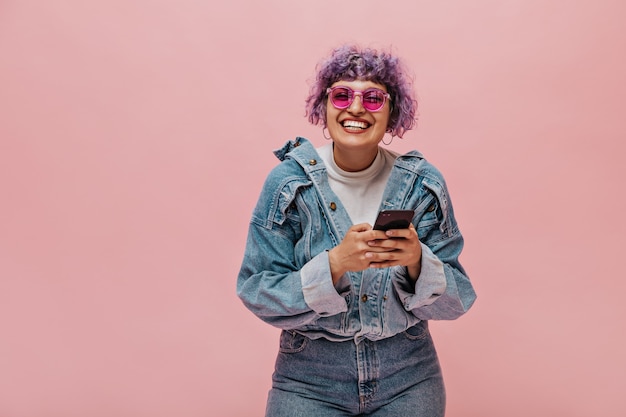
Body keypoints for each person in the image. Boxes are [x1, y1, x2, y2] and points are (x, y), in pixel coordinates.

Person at [237, 44, 477, 417]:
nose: (356, 108)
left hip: (409, 378)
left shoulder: (423, 184)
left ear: (392, 111)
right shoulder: (289, 183)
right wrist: (333, 264)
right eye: (342, 94)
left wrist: (417, 262)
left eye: (373, 98)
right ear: (324, 105)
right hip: (307, 381)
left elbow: (458, 299)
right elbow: (256, 291)